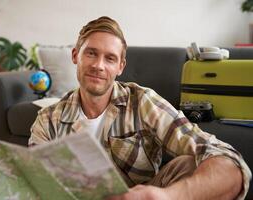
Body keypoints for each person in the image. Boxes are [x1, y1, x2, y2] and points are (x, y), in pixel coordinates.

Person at [29, 16, 251, 199]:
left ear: (120, 67)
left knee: (190, 165)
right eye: (91, 53)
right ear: (76, 56)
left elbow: (229, 162)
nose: (98, 65)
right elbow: (34, 185)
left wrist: (169, 196)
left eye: (110, 58)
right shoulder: (47, 120)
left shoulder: (142, 101)